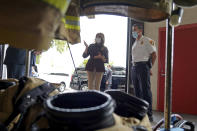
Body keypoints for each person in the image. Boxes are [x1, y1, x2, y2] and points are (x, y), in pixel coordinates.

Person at [131, 24, 157, 122]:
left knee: (145, 91)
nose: (133, 31)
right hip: (134, 67)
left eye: (135, 29)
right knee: (137, 91)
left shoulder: (147, 40)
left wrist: (149, 67)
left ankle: (149, 114)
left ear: (140, 30)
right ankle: (139, 112)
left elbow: (154, 54)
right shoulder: (135, 43)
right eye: (132, 30)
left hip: (143, 66)